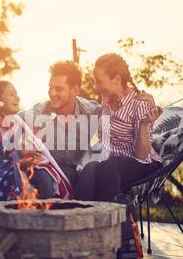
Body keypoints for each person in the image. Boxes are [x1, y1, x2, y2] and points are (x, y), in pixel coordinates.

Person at [21, 60, 161, 191]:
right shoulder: (40, 111)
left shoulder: (92, 111)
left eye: (58, 89)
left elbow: (122, 110)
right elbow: (11, 119)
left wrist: (149, 104)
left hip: (72, 171)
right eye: (50, 88)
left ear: (75, 89)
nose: (52, 93)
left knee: (86, 174)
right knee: (46, 178)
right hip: (44, 169)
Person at [75, 53, 164, 201]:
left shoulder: (140, 103)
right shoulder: (107, 99)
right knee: (90, 169)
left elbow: (142, 156)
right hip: (113, 161)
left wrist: (143, 124)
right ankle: (80, 217)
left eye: (99, 82)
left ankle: (114, 219)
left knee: (109, 167)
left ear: (116, 79)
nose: (96, 87)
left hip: (143, 164)